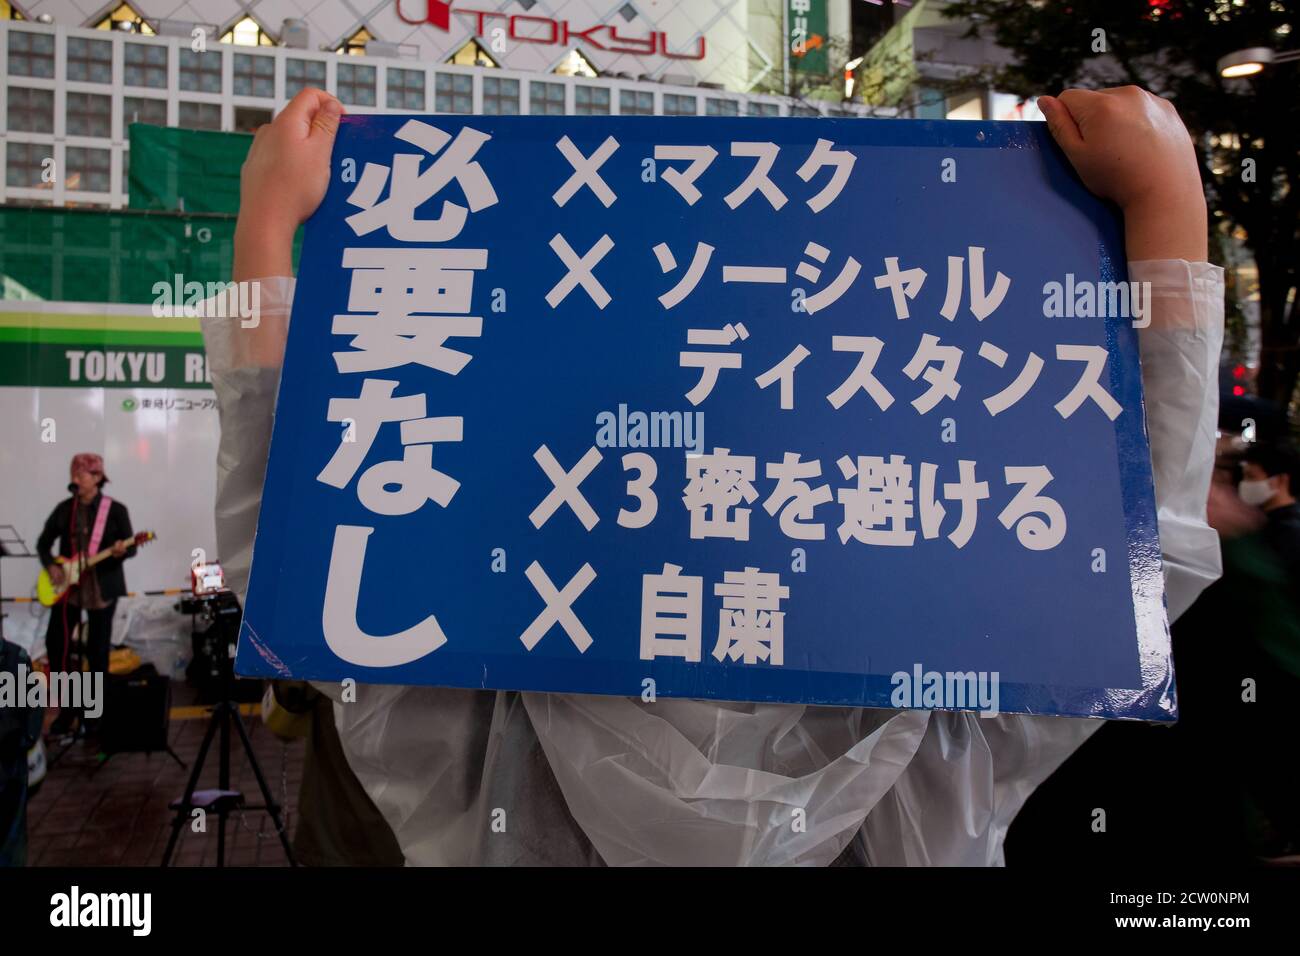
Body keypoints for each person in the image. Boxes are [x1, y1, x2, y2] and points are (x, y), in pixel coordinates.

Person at [201, 85, 1223, 865]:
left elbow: (301, 557)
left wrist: (267, 233)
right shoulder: (945, 734)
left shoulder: (472, 710)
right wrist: (1167, 202)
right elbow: (1140, 555)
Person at [36, 453, 136, 737]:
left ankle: (94, 715)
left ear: (97, 478)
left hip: (102, 588)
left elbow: (131, 547)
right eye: (74, 474)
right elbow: (43, 544)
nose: (75, 480)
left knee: (97, 651)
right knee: (58, 645)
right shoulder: (64, 509)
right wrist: (53, 567)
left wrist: (121, 551)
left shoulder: (115, 510)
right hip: (69, 588)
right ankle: (66, 712)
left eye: (81, 475)